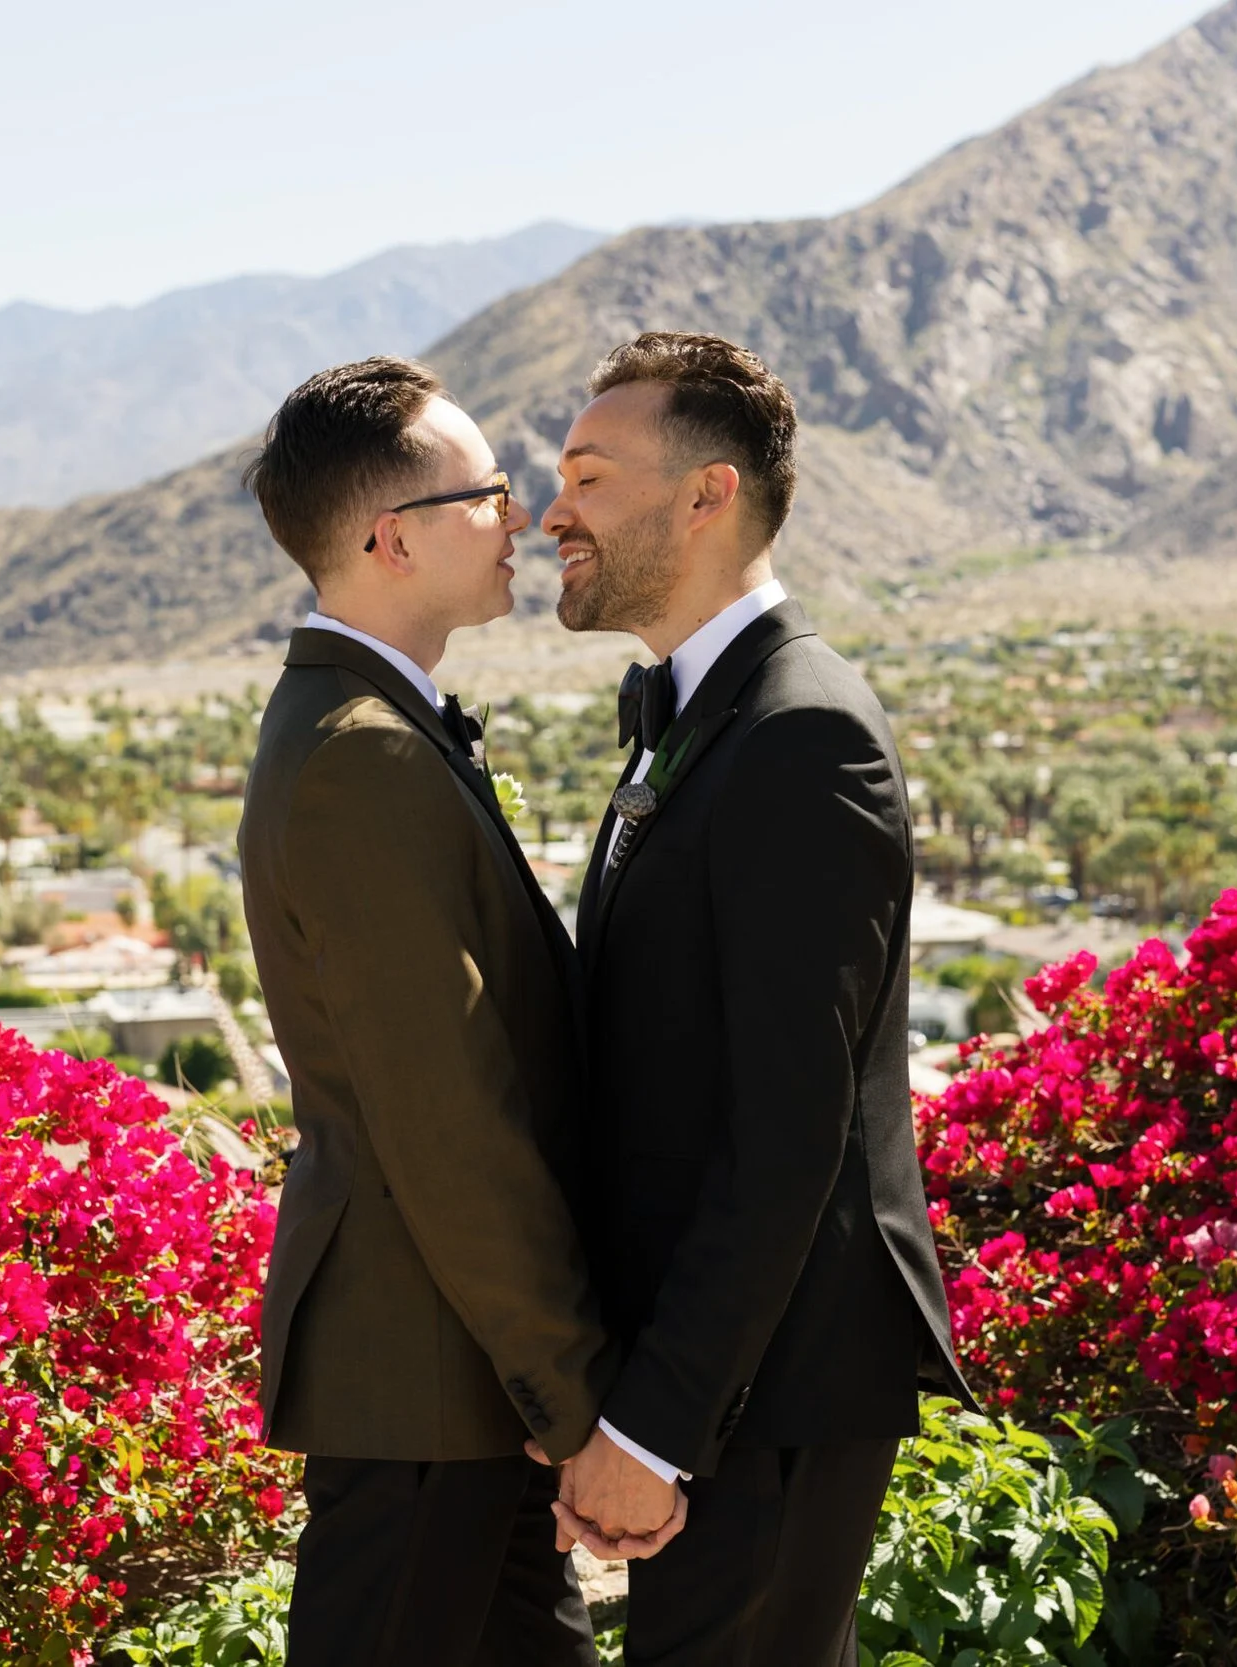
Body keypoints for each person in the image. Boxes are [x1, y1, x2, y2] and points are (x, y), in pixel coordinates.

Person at [236, 356, 677, 1667]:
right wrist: (572, 1395)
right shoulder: (361, 754)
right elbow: (450, 1119)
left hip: (450, 1386)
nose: (525, 516)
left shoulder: (373, 727)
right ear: (390, 537)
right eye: (483, 490)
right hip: (423, 1382)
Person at [542, 332, 973, 1666]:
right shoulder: (699, 716)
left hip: (772, 1388)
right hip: (726, 1377)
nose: (555, 511)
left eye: (591, 476)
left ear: (706, 496)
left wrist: (653, 1425)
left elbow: (791, 1133)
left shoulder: (801, 735)